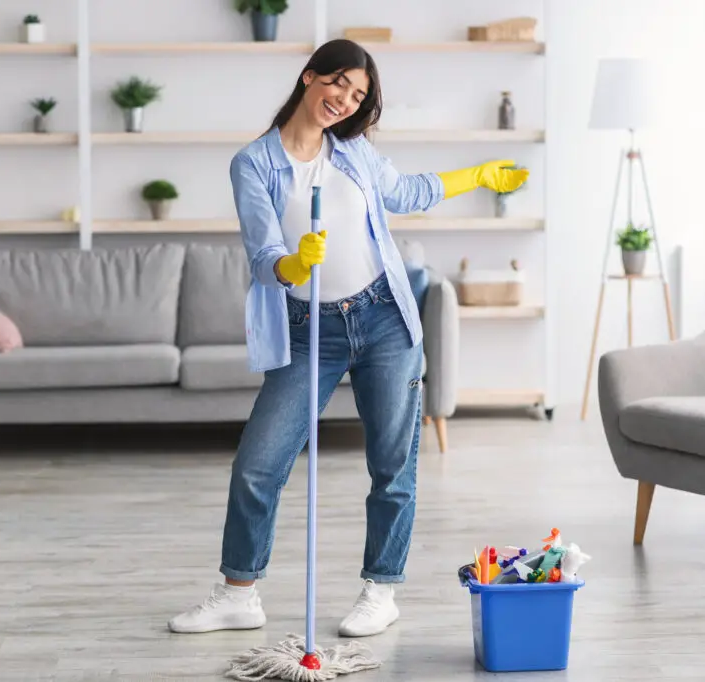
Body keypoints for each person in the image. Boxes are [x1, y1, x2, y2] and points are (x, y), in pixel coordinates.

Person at [168, 38, 527, 638]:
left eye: (358, 94)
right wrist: (292, 265)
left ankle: (380, 590)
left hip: (384, 318)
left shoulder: (354, 150)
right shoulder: (252, 163)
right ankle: (238, 593)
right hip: (311, 331)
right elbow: (262, 255)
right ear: (310, 77)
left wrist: (478, 174)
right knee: (258, 464)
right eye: (340, 83)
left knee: (392, 466)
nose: (346, 100)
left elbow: (406, 193)